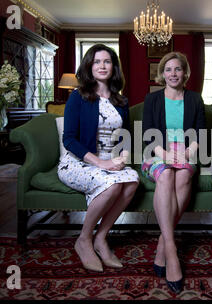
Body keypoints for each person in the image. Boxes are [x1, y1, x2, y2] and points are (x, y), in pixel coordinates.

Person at [58, 44, 139, 272]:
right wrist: (101, 162)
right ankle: (84, 239)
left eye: (107, 61)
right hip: (78, 162)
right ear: (89, 66)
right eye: (97, 62)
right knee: (112, 185)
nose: (102, 66)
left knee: (132, 180)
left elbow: (126, 137)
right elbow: (69, 139)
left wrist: (123, 156)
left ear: (114, 67)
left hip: (109, 162)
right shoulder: (78, 97)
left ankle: (101, 237)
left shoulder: (121, 101)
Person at [142, 52, 206, 293]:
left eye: (177, 69)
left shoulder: (194, 99)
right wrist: (165, 154)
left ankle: (162, 242)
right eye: (168, 69)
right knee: (167, 174)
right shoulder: (153, 100)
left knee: (182, 175)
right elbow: (148, 134)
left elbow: (200, 133)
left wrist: (187, 154)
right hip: (157, 151)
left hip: (187, 152)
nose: (173, 74)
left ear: (185, 72)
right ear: (162, 74)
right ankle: (171, 248)